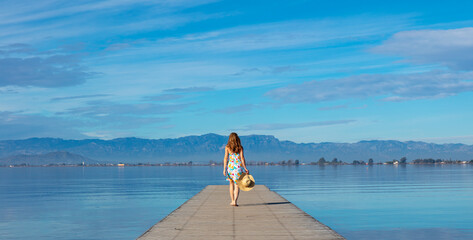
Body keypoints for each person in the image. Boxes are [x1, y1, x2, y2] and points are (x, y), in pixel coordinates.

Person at [223, 132, 249, 206]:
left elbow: (225, 158)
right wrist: (245, 168)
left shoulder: (227, 147)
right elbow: (242, 158)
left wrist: (224, 169)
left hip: (230, 168)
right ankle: (235, 201)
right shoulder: (240, 147)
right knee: (237, 185)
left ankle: (232, 200)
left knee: (231, 184)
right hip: (238, 168)